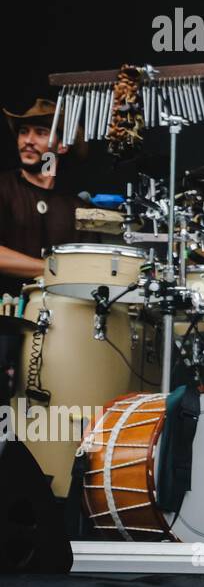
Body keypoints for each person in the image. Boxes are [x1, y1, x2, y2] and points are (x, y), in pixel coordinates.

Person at [0, 99, 89, 399]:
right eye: (23, 132)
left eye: (40, 132)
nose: (27, 140)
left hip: (58, 329)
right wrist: (49, 270)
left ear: (61, 147)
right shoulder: (4, 187)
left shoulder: (76, 206)